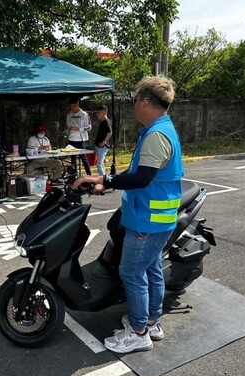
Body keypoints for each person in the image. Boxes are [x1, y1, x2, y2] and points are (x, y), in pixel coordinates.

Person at [72, 76, 183, 353]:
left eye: (135, 100)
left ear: (145, 102)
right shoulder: (161, 129)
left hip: (147, 220)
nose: (134, 105)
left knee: (131, 272)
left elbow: (141, 178)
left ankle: (138, 332)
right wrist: (103, 182)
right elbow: (138, 175)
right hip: (156, 218)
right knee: (152, 269)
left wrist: (104, 181)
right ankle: (152, 321)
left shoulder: (157, 135)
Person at [66, 97, 92, 175]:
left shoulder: (84, 114)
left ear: (77, 105)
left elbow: (89, 127)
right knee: (73, 159)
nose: (72, 108)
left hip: (81, 140)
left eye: (73, 106)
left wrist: (80, 129)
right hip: (71, 139)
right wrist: (70, 127)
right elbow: (67, 125)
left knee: (83, 158)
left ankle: (89, 175)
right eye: (71, 107)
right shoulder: (69, 114)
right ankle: (74, 175)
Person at [94, 105, 113, 176]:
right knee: (101, 163)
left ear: (104, 113)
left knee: (99, 164)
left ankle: (103, 181)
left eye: (98, 113)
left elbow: (110, 132)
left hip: (102, 147)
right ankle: (105, 178)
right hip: (99, 146)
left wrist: (104, 142)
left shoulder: (106, 122)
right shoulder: (103, 122)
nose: (97, 115)